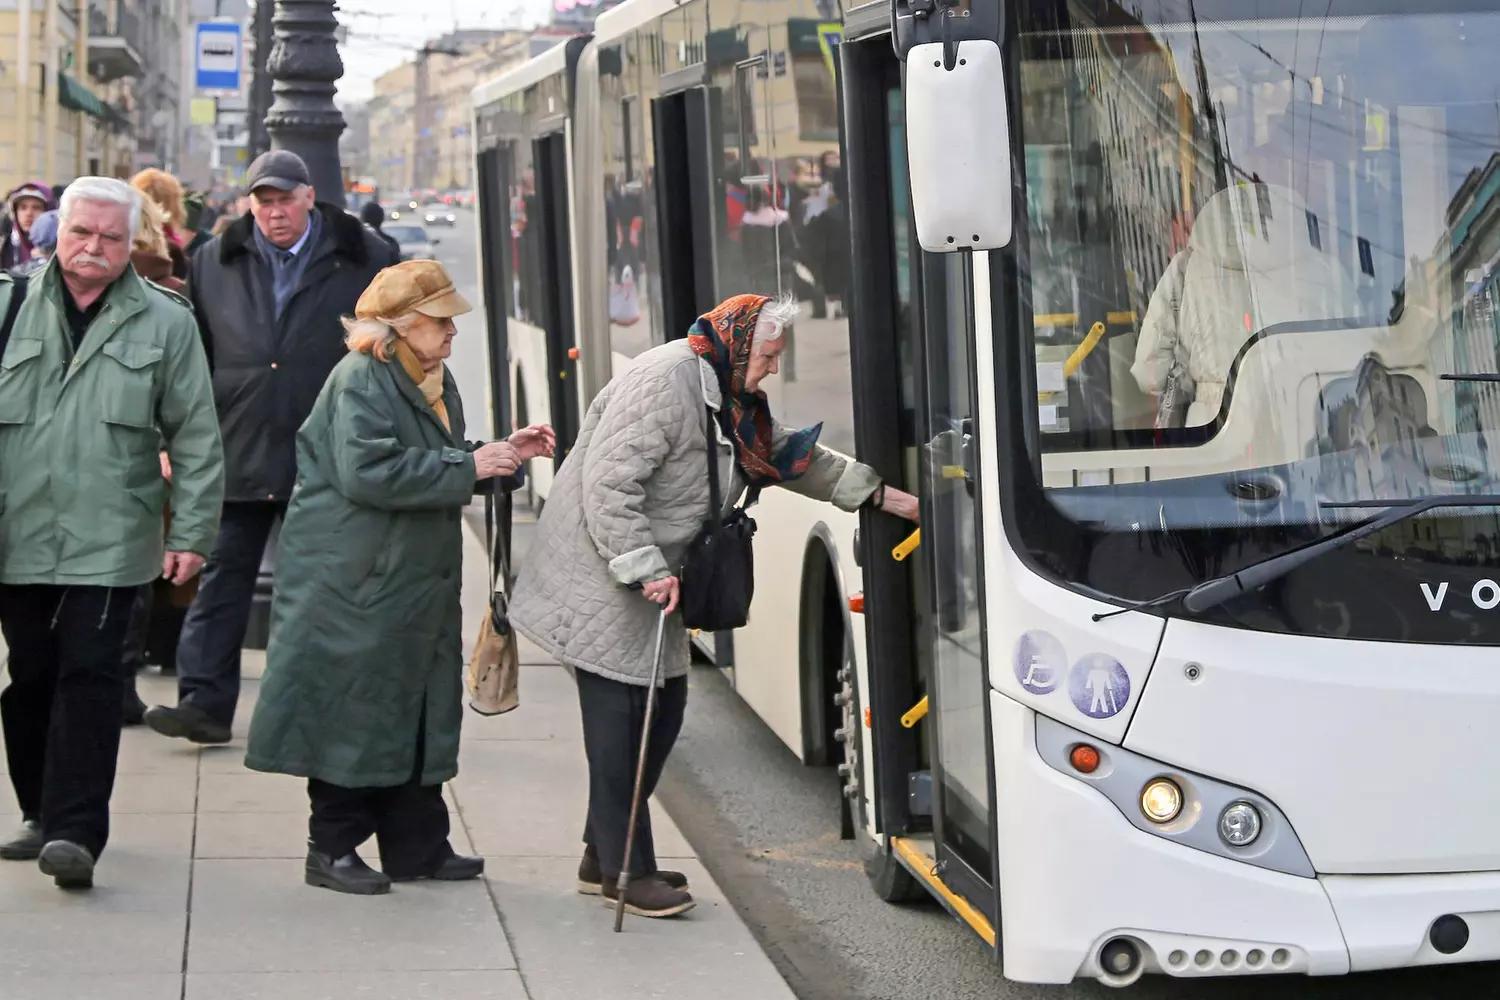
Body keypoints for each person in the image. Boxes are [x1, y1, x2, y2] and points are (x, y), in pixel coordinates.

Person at [510, 293, 919, 918]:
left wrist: (876, 494)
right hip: (601, 576)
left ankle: (603, 855)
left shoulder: (726, 391)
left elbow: (781, 452)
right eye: (770, 356)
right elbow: (608, 485)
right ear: (738, 344)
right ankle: (626, 870)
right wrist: (645, 569)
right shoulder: (664, 382)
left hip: (645, 576)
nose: (774, 369)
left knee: (663, 710)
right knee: (624, 725)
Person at [243, 260, 554, 894]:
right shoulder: (361, 378)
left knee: (416, 703)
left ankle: (418, 846)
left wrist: (496, 457)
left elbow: (426, 459)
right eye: (440, 322)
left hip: (404, 576)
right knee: (353, 713)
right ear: (400, 327)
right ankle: (330, 849)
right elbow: (369, 472)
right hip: (356, 579)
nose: (452, 332)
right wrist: (467, 466)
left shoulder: (428, 377)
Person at [0, 177, 225, 889]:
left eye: (110, 237)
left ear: (134, 244)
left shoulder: (166, 322)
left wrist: (191, 530)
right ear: (56, 235)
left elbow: (195, 434)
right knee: (30, 676)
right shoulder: (7, 304)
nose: (93, 248)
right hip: (18, 531)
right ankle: (38, 809)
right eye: (80, 234)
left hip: (114, 533)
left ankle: (75, 833)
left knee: (92, 678)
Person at [143, 150, 397, 746]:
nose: (275, 212)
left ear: (310, 196)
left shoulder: (366, 257)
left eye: (285, 199)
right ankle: (202, 704)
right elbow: (191, 357)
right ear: (249, 203)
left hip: (330, 448)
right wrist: (173, 438)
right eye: (264, 200)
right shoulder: (214, 261)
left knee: (327, 586)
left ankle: (331, 710)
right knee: (221, 576)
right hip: (240, 442)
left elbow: (399, 356)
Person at [1, 182, 54, 273]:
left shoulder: (59, 248)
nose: (28, 213)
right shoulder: (4, 246)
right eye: (23, 207)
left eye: (36, 207)